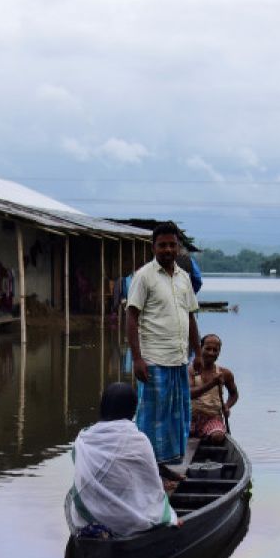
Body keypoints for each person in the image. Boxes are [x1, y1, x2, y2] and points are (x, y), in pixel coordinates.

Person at [126, 222, 201, 464]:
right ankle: (147, 467)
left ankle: (167, 465)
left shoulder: (184, 278)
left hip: (179, 359)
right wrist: (137, 358)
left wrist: (198, 353)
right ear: (153, 247)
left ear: (179, 247)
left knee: (175, 417)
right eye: (162, 245)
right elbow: (131, 316)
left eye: (172, 245)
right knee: (151, 418)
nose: (168, 249)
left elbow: (190, 316)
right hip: (153, 359)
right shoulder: (143, 276)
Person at [66, 383, 176, 538]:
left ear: (103, 407)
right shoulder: (139, 439)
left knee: (73, 496)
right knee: (158, 505)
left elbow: (80, 469)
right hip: (134, 521)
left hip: (92, 515)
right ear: (132, 409)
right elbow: (152, 484)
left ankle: (98, 532)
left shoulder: (84, 437)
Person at [189, 333, 239, 444]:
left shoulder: (225, 373)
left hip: (212, 418)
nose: (211, 353)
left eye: (215, 350)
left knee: (217, 436)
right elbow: (190, 394)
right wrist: (212, 383)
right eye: (208, 349)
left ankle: (205, 437)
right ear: (200, 348)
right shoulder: (190, 371)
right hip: (190, 418)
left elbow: (234, 394)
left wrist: (226, 406)